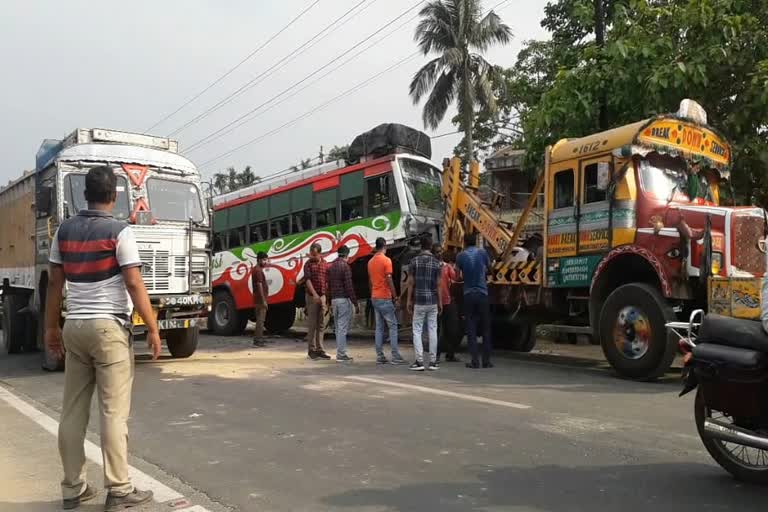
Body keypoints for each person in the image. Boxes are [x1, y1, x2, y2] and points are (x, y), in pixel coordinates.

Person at [45, 166, 158, 511]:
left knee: (73, 411)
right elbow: (134, 283)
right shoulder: (120, 231)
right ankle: (119, 489)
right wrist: (152, 328)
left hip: (74, 328)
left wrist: (50, 328)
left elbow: (54, 283)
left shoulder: (63, 231)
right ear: (115, 195)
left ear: (85, 195)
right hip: (108, 328)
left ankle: (72, 488)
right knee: (113, 412)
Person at [456, 232, 493, 369]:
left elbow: (457, 276)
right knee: (486, 328)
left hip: (468, 294)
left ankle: (474, 361)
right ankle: (487, 361)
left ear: (464, 242)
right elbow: (490, 269)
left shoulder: (460, 256)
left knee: (471, 327)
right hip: (482, 293)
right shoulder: (482, 253)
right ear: (476, 241)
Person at [406, 236, 443, 371]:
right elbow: (439, 284)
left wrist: (409, 300)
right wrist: (440, 302)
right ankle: (433, 362)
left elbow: (410, 282)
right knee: (433, 330)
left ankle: (419, 361)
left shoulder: (414, 262)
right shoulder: (437, 263)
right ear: (431, 245)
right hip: (432, 301)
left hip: (419, 301)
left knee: (417, 330)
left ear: (420, 245)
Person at [367, 237, 406, 364]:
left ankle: (380, 356)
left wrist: (373, 294)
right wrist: (395, 297)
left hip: (375, 297)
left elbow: (370, 282)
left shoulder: (370, 262)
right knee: (393, 326)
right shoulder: (386, 261)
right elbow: (389, 280)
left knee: (379, 327)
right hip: (384, 297)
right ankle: (395, 356)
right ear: (385, 246)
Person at [328, 245, 359, 362]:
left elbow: (329, 286)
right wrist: (355, 303)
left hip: (334, 300)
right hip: (343, 300)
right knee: (342, 328)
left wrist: (329, 301)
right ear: (347, 255)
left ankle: (340, 352)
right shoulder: (345, 267)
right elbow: (349, 287)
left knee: (337, 328)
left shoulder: (331, 266)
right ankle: (341, 354)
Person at [434, 245, 460, 363]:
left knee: (452, 329)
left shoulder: (447, 267)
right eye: (437, 252)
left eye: (440, 251)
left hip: (448, 301)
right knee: (436, 329)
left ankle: (450, 354)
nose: (439, 253)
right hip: (435, 302)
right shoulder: (431, 266)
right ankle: (436, 355)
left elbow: (456, 279)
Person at [303, 243, 330, 360]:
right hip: (311, 296)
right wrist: (314, 294)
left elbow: (327, 280)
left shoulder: (325, 264)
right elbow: (308, 280)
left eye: (314, 254)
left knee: (321, 324)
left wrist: (326, 298)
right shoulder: (308, 264)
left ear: (320, 253)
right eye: (311, 254)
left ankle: (320, 349)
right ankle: (311, 349)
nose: (312, 256)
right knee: (312, 324)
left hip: (322, 295)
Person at [251, 251, 269, 347]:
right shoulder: (258, 270)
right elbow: (259, 285)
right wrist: (263, 300)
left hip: (258, 299)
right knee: (260, 320)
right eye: (264, 260)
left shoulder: (256, 269)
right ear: (259, 260)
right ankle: (258, 340)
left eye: (266, 260)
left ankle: (258, 339)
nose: (266, 262)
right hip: (260, 299)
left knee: (260, 320)